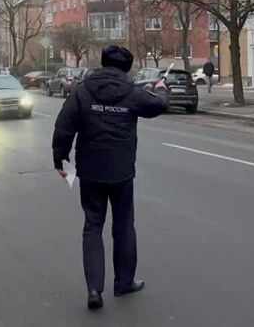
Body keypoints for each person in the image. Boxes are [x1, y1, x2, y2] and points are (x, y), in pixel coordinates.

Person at [52, 45, 169, 311]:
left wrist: (60, 160)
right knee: (124, 226)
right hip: (121, 172)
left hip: (90, 171)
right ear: (126, 68)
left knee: (92, 226)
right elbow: (160, 105)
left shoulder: (82, 91)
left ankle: (94, 289)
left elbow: (63, 127)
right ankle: (124, 282)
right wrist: (161, 87)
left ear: (102, 64)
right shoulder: (131, 93)